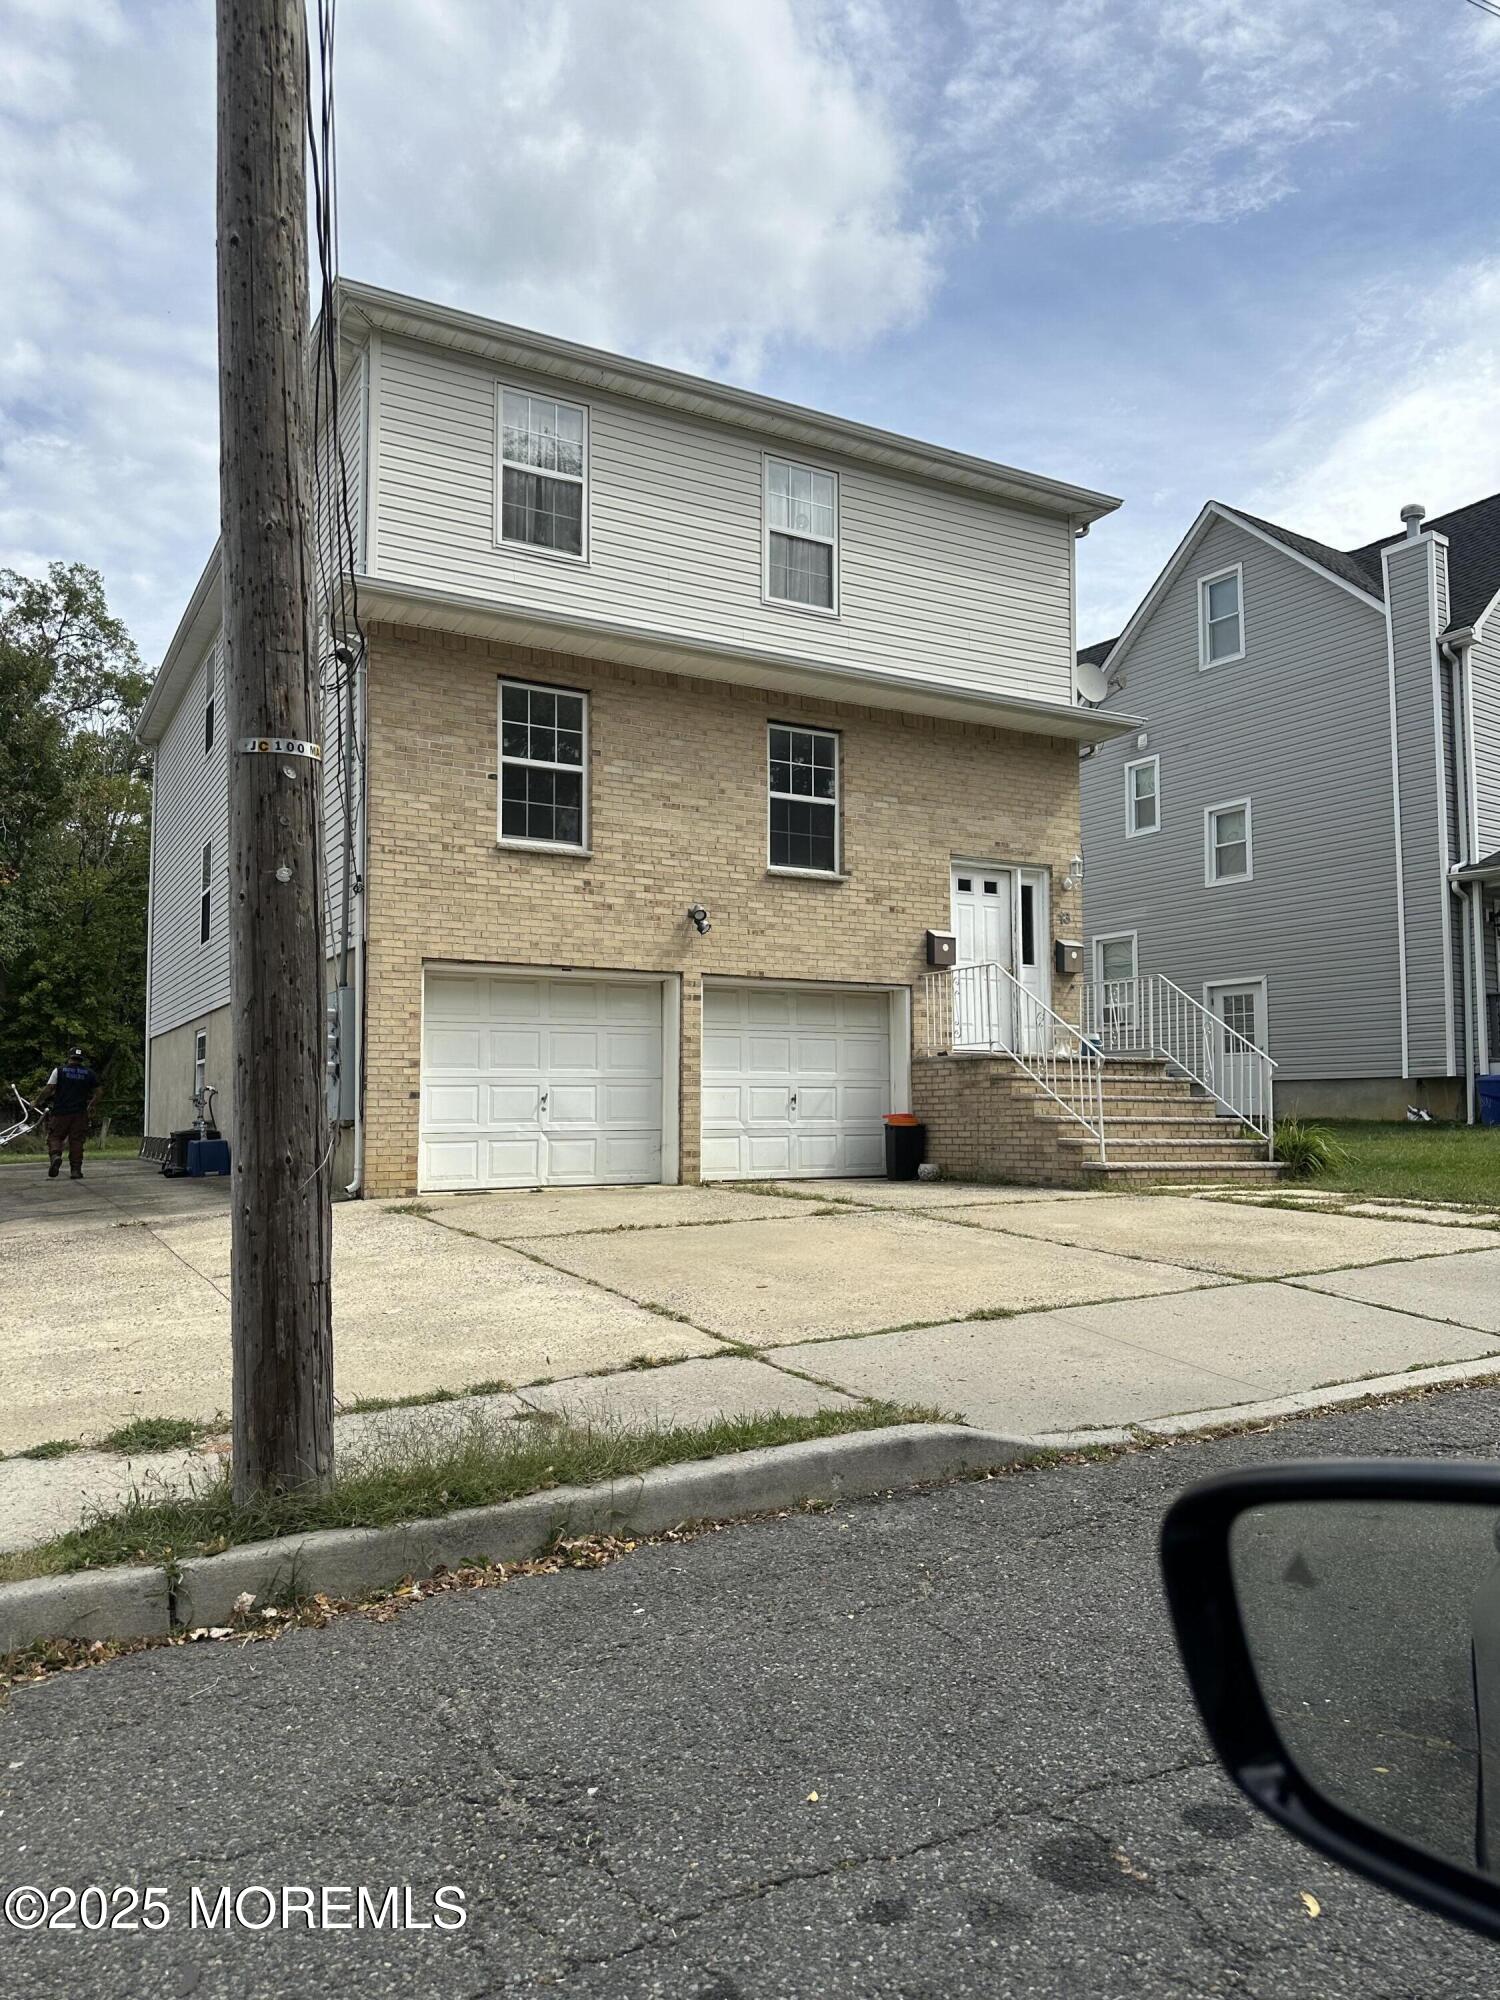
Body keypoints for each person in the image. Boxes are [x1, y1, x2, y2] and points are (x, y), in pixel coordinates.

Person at [37, 1048, 102, 1181]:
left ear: (69, 1057)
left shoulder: (59, 1071)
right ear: (81, 1059)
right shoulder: (89, 1073)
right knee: (76, 1141)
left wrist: (37, 1101)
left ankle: (55, 1156)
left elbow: (49, 1089)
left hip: (60, 1112)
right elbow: (99, 1092)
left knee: (55, 1136)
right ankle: (76, 1171)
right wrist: (91, 1105)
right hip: (80, 1113)